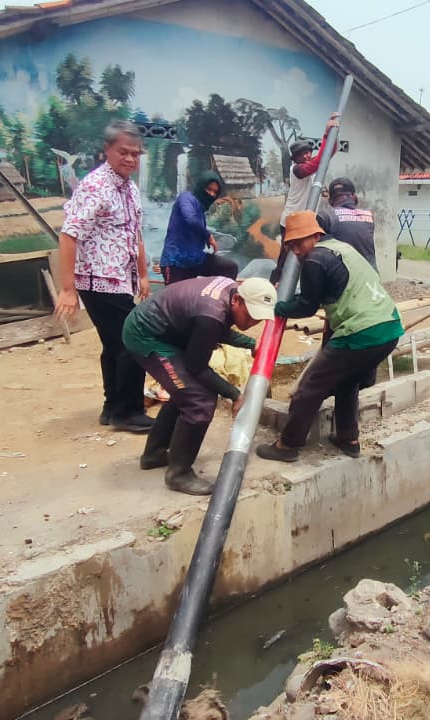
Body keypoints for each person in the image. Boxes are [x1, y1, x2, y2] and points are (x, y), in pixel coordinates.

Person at [256, 211, 403, 463]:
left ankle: (287, 445)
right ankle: (349, 439)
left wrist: (280, 308)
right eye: (291, 246)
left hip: (361, 332)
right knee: (347, 382)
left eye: (299, 243)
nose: (297, 251)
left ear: (316, 235)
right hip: (389, 328)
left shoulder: (315, 260)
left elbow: (306, 306)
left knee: (309, 387)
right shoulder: (341, 249)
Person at [122, 276, 277, 494]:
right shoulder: (210, 314)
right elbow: (197, 367)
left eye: (258, 319)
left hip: (166, 330)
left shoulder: (228, 293)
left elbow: (216, 328)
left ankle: (154, 454)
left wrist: (249, 343)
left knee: (185, 392)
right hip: (147, 336)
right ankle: (179, 474)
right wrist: (234, 394)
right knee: (199, 399)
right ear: (237, 301)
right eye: (250, 315)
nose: (253, 323)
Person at [55, 120, 154, 433]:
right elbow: (69, 235)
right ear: (107, 150)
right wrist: (68, 289)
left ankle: (112, 407)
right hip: (97, 279)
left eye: (136, 154)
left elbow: (134, 233)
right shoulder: (95, 186)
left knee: (114, 345)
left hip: (120, 279)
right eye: (123, 152)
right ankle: (128, 411)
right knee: (135, 339)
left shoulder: (130, 188)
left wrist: (142, 274)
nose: (130, 159)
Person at [272, 115, 341, 283]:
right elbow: (319, 161)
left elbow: (329, 152)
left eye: (308, 152)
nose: (307, 156)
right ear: (295, 158)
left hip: (305, 222)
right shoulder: (296, 170)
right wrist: (325, 136)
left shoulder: (310, 172)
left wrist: (333, 132)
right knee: (285, 260)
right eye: (302, 154)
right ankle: (274, 286)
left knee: (306, 258)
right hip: (291, 221)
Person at [160, 171, 239, 285]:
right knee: (178, 301)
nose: (211, 194)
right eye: (209, 189)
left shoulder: (201, 208)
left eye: (215, 192)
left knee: (229, 268)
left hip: (195, 260)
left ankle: (220, 299)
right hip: (175, 263)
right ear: (201, 187)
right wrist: (208, 235)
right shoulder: (186, 198)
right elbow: (190, 219)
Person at [316, 177, 377, 269]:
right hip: (371, 278)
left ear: (330, 201)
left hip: (345, 279)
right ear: (354, 197)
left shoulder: (325, 216)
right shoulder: (369, 216)